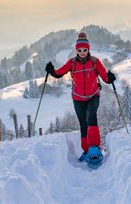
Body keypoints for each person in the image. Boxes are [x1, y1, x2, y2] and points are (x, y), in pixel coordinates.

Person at [45, 32, 116, 161]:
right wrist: (51, 71)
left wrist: (110, 78)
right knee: (83, 123)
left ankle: (94, 147)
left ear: (88, 49)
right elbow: (59, 73)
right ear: (76, 50)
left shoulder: (95, 62)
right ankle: (87, 150)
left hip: (93, 95)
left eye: (85, 49)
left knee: (91, 117)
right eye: (79, 50)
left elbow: (105, 77)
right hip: (78, 98)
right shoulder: (72, 63)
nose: (82, 52)